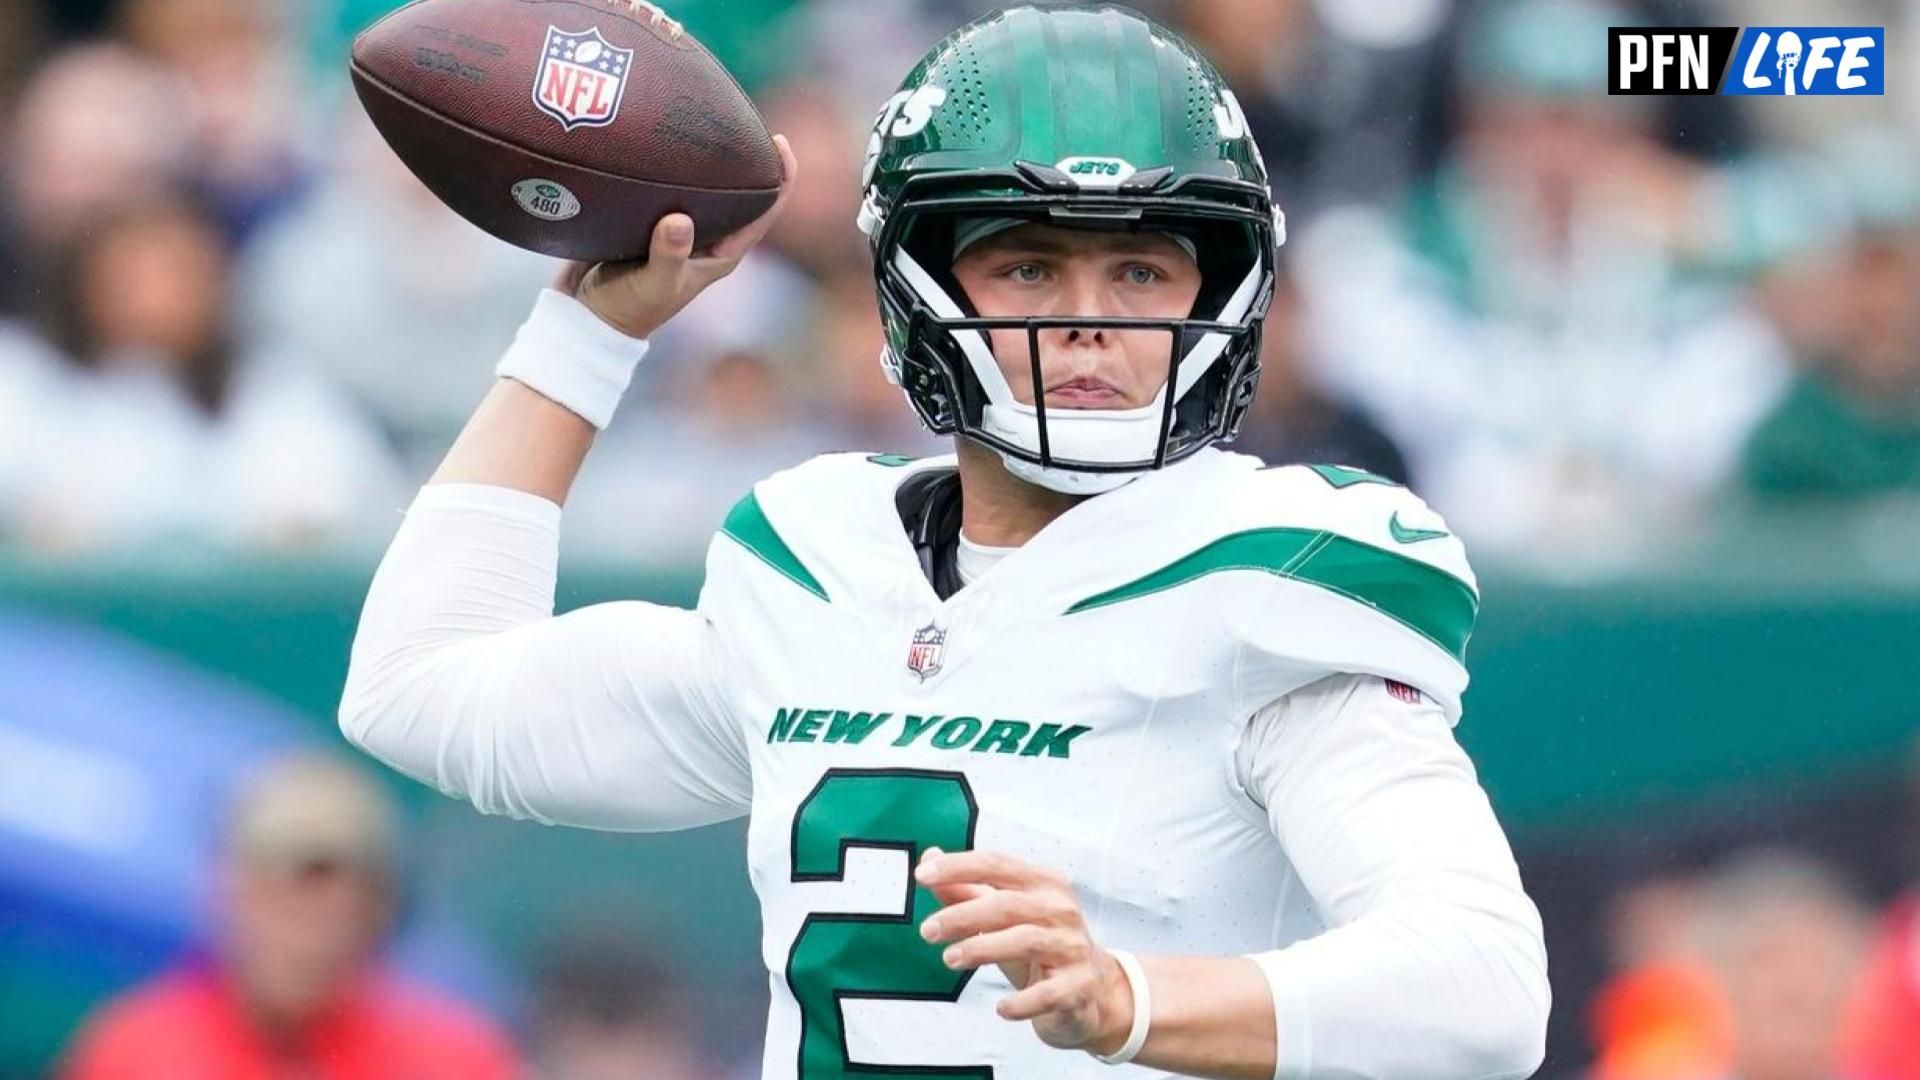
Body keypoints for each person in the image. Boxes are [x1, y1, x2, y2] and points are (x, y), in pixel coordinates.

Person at [341, 6, 1549, 1078]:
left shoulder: (1266, 580)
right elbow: (421, 693)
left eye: (1139, 268)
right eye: (1028, 265)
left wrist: (1132, 998)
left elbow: (1484, 991)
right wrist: (587, 338)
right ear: (917, 281)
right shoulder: (816, 565)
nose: (1087, 323)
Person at [61, 754, 518, 1079]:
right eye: (279, 888)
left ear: (379, 908)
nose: (308, 927)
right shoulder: (135, 1048)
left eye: (337, 893)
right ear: (227, 890)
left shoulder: (454, 1056)